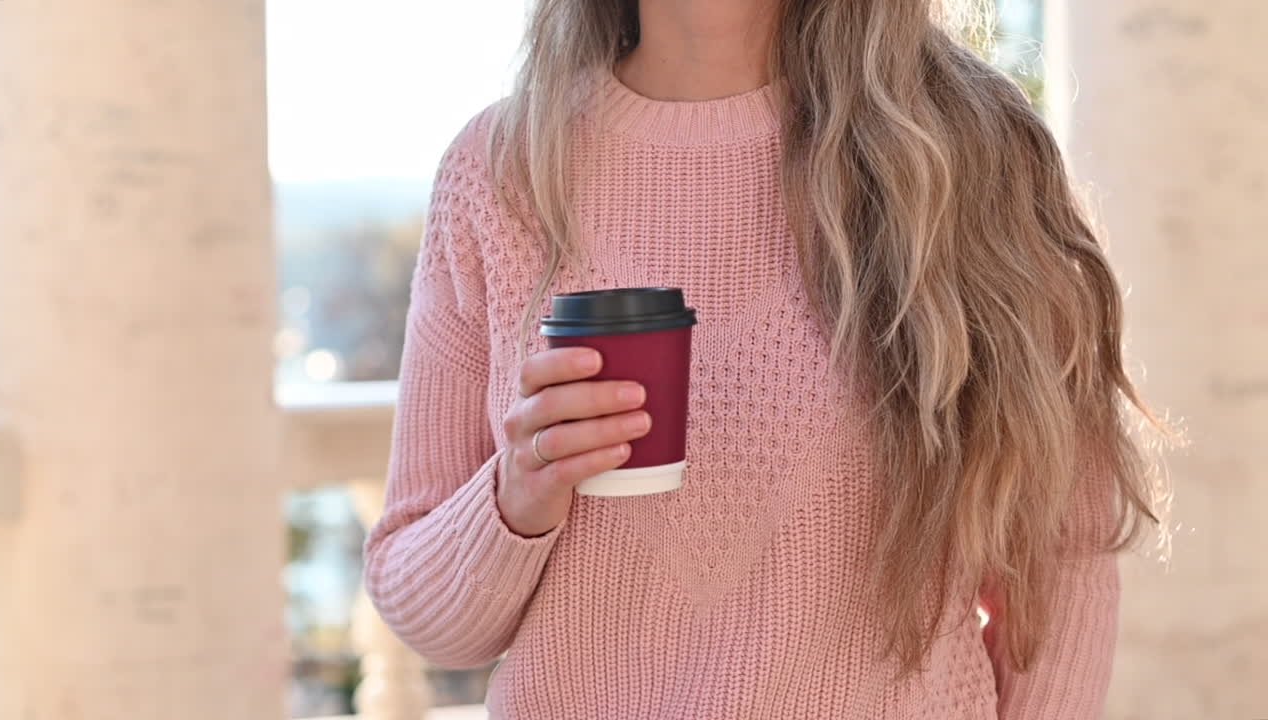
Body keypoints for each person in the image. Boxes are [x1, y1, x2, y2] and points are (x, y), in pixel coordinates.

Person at [363, 0, 1172, 717]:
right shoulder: (499, 171)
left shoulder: (964, 146)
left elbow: (1062, 558)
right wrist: (517, 495)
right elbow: (431, 619)